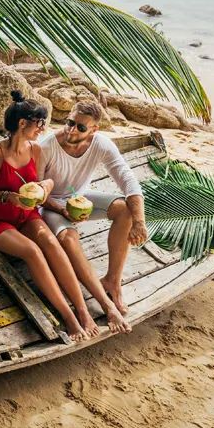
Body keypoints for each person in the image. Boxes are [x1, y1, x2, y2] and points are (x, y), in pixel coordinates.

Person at [0, 91, 130, 341]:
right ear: (23, 124)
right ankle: (70, 317)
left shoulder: (34, 150)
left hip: (27, 215)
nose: (43, 129)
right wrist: (6, 197)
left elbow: (47, 181)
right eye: (39, 124)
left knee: (53, 244)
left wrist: (44, 189)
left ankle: (84, 310)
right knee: (33, 251)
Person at [37, 100, 148, 317]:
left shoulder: (101, 144)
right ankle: (92, 300)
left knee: (124, 210)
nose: (71, 129)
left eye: (80, 127)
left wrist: (139, 222)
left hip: (80, 198)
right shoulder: (46, 147)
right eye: (70, 122)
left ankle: (112, 280)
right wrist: (61, 210)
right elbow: (38, 193)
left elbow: (128, 180)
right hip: (51, 205)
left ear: (94, 130)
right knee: (69, 239)